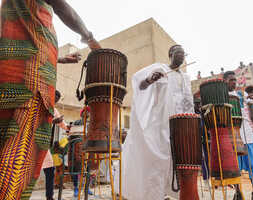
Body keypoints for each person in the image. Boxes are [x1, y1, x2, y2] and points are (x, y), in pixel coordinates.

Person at [0, 0, 100, 199]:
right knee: (18, 161)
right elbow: (61, 6)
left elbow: (30, 34)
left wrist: (59, 59)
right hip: (32, 82)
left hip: (11, 77)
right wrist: (89, 37)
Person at [116, 45, 195, 200]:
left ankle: (168, 192)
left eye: (183, 54)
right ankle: (152, 194)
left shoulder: (185, 78)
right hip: (160, 123)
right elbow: (140, 85)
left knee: (176, 159)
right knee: (156, 160)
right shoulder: (159, 68)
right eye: (178, 52)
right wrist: (150, 79)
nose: (181, 56)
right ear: (170, 54)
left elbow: (188, 102)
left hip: (179, 125)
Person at [223, 71, 253, 200]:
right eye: (231, 80)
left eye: (234, 80)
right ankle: (238, 193)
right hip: (232, 134)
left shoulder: (241, 94)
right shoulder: (222, 96)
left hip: (247, 132)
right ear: (224, 81)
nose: (234, 82)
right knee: (234, 165)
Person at [42, 90, 71, 200]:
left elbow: (63, 125)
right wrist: (53, 121)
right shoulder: (39, 106)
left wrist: (71, 129)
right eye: (55, 98)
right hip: (32, 143)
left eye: (57, 100)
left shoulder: (54, 110)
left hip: (44, 145)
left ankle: (49, 197)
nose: (55, 101)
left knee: (50, 170)